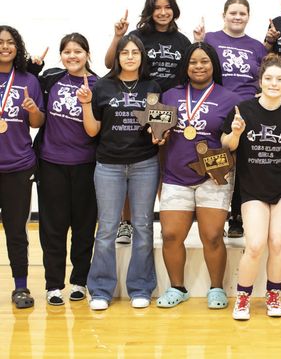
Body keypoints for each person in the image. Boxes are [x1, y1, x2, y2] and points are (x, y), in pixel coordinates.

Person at [221, 54, 281, 320]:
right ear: (260, 82)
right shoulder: (242, 110)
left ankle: (273, 296)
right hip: (253, 189)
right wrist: (236, 132)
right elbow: (227, 145)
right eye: (268, 78)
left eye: (279, 79)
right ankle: (243, 298)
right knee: (256, 244)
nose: (273, 83)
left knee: (278, 241)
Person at [78, 35, 161, 310]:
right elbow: (92, 131)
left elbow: (155, 128)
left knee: (143, 227)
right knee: (107, 230)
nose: (129, 57)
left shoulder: (151, 86)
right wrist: (87, 104)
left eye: (135, 52)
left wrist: (158, 134)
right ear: (117, 57)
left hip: (144, 165)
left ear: (142, 56)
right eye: (124, 52)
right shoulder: (102, 86)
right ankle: (101, 290)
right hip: (109, 166)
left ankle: (140, 287)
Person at [105, 0, 191, 244]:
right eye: (157, 8)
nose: (163, 12)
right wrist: (118, 35)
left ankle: (166, 221)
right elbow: (111, 63)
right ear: (150, 11)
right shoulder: (137, 36)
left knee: (164, 166)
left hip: (169, 107)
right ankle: (126, 223)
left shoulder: (182, 41)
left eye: (168, 7)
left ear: (174, 9)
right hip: (139, 104)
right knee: (135, 162)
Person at [157, 42, 239, 309]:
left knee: (213, 235)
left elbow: (231, 142)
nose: (199, 66)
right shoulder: (169, 95)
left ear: (213, 64)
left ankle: (216, 289)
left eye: (204, 61)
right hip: (175, 175)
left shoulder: (230, 99)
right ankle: (177, 287)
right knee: (170, 235)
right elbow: (158, 134)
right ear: (186, 66)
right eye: (193, 62)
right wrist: (157, 136)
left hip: (212, 177)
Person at [193, 0, 267, 238]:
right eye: (233, 13)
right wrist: (198, 41)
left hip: (246, 109)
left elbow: (263, 77)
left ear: (248, 16)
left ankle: (237, 216)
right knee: (217, 157)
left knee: (243, 162)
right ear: (223, 14)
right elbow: (200, 65)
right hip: (216, 105)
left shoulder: (257, 46)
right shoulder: (211, 38)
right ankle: (213, 215)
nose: (237, 17)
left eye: (242, 13)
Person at [36, 33, 98, 305]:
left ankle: (79, 281)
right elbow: (23, 81)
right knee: (53, 227)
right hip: (51, 164)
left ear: (87, 54)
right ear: (61, 55)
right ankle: (53, 285)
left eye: (78, 51)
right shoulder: (50, 79)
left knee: (84, 226)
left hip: (86, 165)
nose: (72, 56)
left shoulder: (100, 84)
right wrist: (33, 66)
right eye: (67, 51)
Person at [0, 25, 45, 309]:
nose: (5, 46)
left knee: (16, 230)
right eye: (0, 42)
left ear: (18, 47)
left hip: (17, 165)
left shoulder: (28, 80)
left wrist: (32, 109)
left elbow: (37, 122)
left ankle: (20, 287)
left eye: (10, 42)